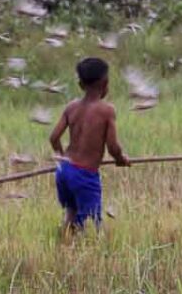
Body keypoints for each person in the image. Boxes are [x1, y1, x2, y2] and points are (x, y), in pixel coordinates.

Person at [49, 57, 130, 236]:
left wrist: (62, 158)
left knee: (71, 212)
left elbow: (54, 138)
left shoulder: (71, 107)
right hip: (85, 174)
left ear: (80, 85)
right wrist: (120, 159)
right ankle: (85, 249)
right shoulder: (106, 110)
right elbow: (113, 146)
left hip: (64, 170)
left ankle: (63, 243)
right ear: (106, 83)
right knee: (92, 222)